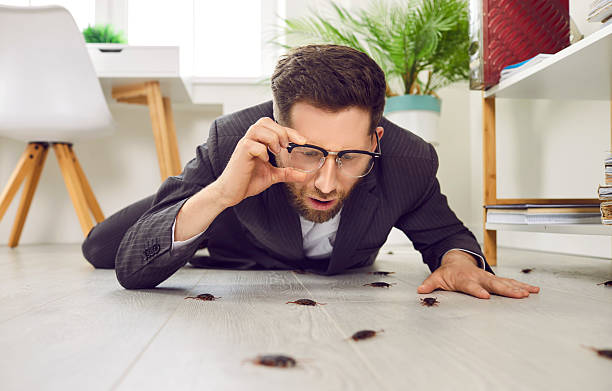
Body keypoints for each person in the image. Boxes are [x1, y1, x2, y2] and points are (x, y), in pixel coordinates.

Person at [82, 44, 539, 299]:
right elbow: (128, 269)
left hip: (322, 260)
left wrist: (458, 262)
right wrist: (221, 193)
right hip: (231, 235)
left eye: (348, 158)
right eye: (308, 152)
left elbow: (445, 236)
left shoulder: (410, 160)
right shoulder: (233, 139)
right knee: (101, 245)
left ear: (376, 140)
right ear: (277, 130)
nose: (325, 182)